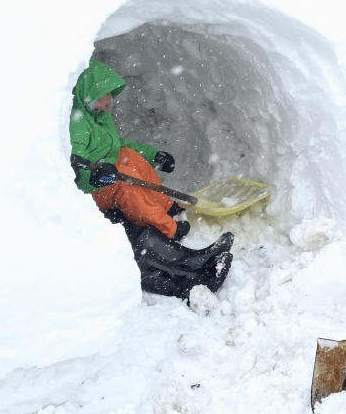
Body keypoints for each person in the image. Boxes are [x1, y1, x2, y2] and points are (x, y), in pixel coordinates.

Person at [69, 59, 233, 300]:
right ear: (91, 94)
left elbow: (119, 147)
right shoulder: (79, 125)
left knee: (129, 156)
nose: (110, 100)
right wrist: (94, 177)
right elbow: (72, 170)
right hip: (93, 191)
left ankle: (168, 207)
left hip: (107, 175)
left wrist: (153, 154)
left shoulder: (98, 118)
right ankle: (170, 229)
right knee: (125, 188)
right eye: (105, 95)